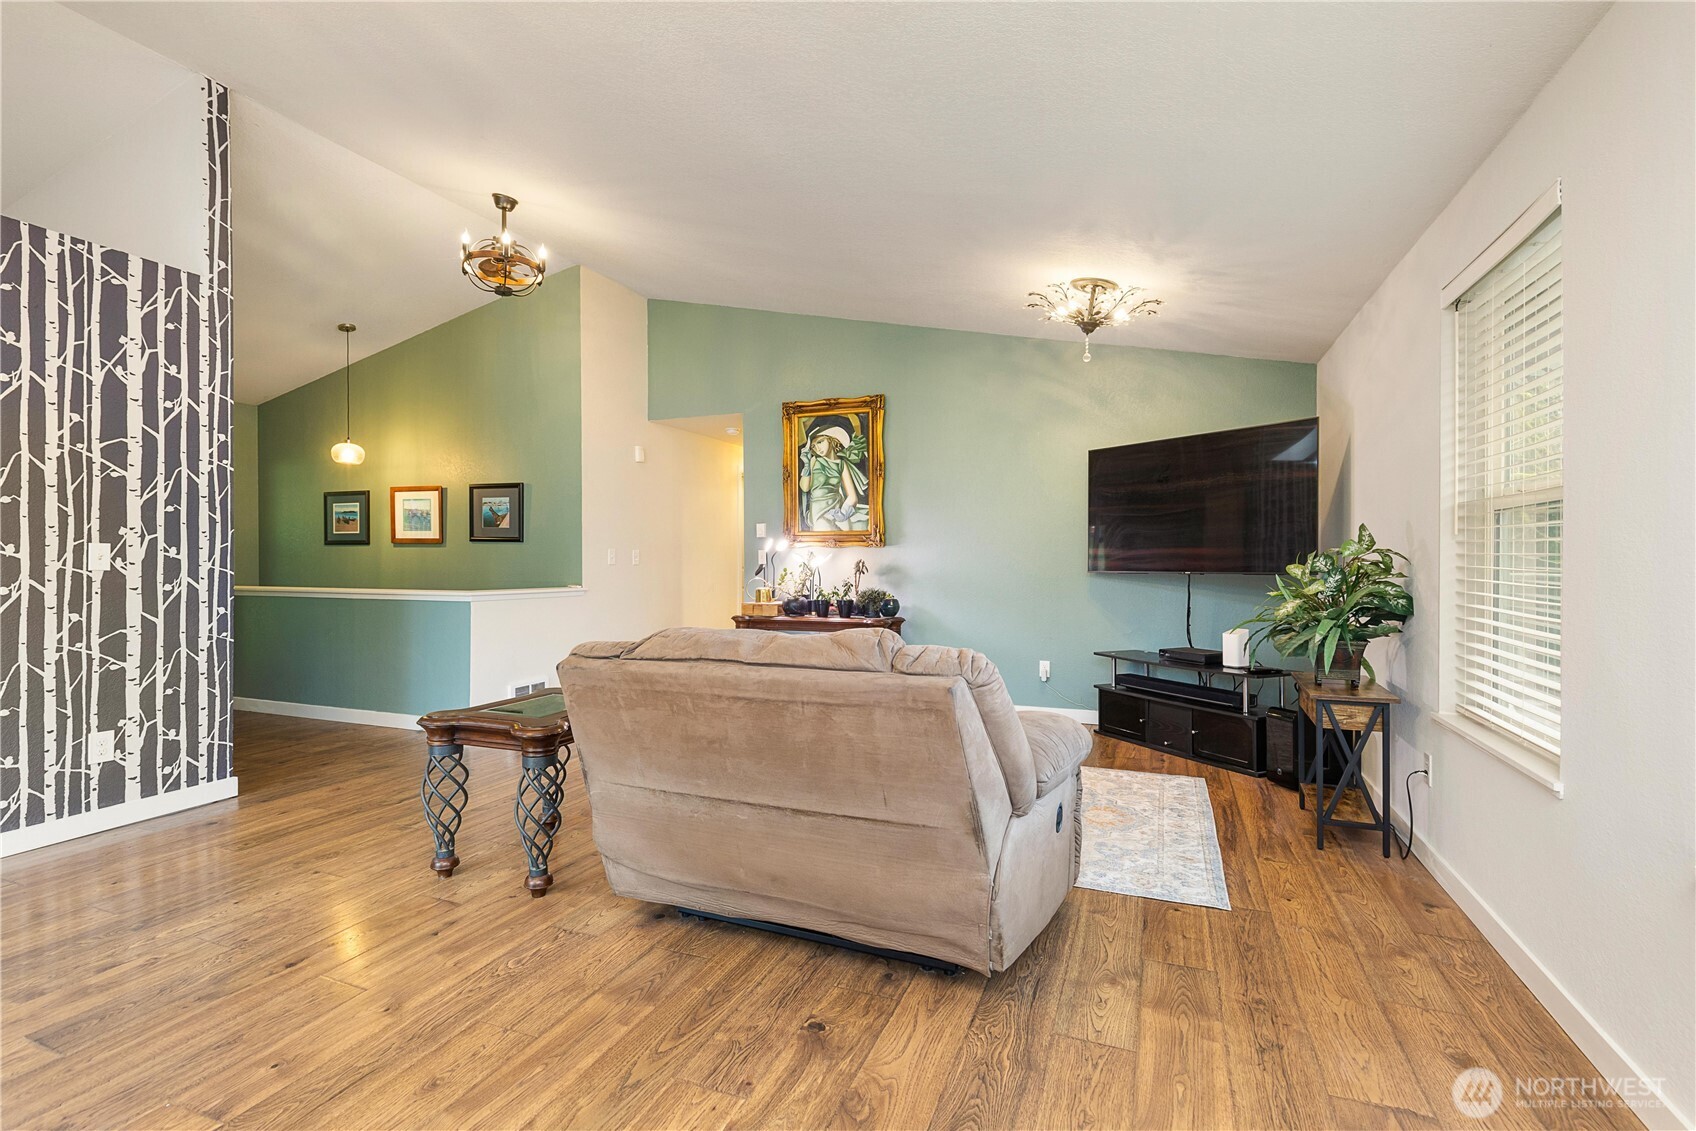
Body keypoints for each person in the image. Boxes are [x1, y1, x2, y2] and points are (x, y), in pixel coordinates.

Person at [798, 424, 869, 530]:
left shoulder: (841, 464)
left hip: (837, 509)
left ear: (831, 439)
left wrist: (842, 514)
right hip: (819, 511)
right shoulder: (814, 461)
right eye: (813, 446)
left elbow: (852, 497)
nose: (817, 448)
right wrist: (807, 465)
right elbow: (804, 487)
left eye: (820, 442)